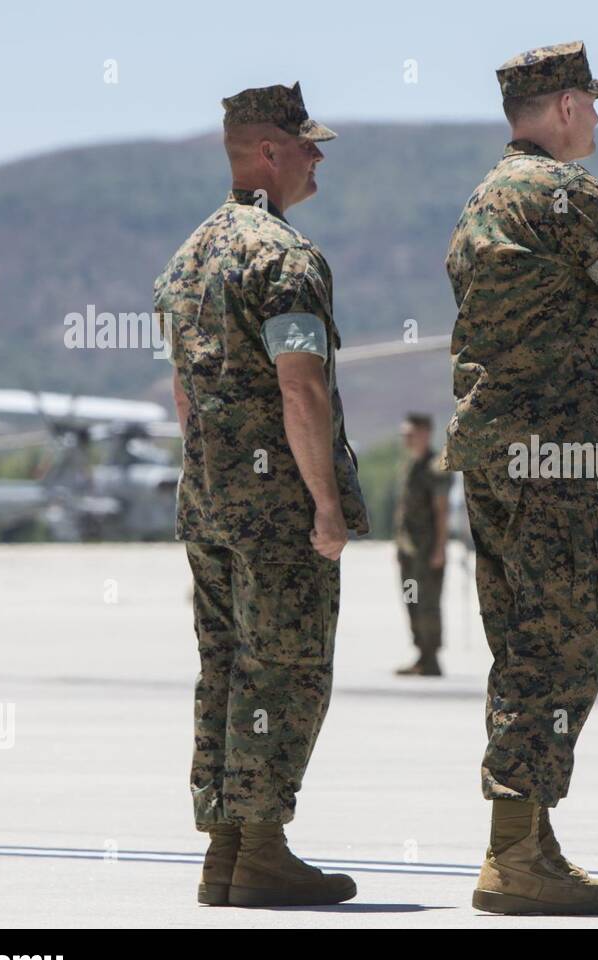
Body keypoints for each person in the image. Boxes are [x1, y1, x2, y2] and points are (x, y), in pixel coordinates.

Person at [442, 41, 598, 915]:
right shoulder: (568, 195)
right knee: (559, 652)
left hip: (499, 453)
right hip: (558, 466)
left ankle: (523, 840)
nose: (596, 116)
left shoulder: (482, 202)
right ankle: (516, 855)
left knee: (520, 646)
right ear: (561, 107)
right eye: (589, 102)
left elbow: (556, 351)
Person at [157, 82, 369, 908]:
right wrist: (324, 501)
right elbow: (302, 390)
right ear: (267, 153)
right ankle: (264, 847)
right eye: (306, 144)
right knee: (286, 672)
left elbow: (181, 394)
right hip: (277, 510)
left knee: (227, 668)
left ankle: (227, 850)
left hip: (208, 502)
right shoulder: (284, 257)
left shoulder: (189, 257)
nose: (318, 157)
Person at [393, 412, 451, 677]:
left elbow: (442, 511)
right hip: (408, 551)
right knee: (412, 600)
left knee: (427, 602)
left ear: (426, 433)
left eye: (410, 433)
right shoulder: (411, 465)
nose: (406, 438)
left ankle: (431, 658)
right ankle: (421, 654)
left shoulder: (434, 467)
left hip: (427, 551)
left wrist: (440, 548)